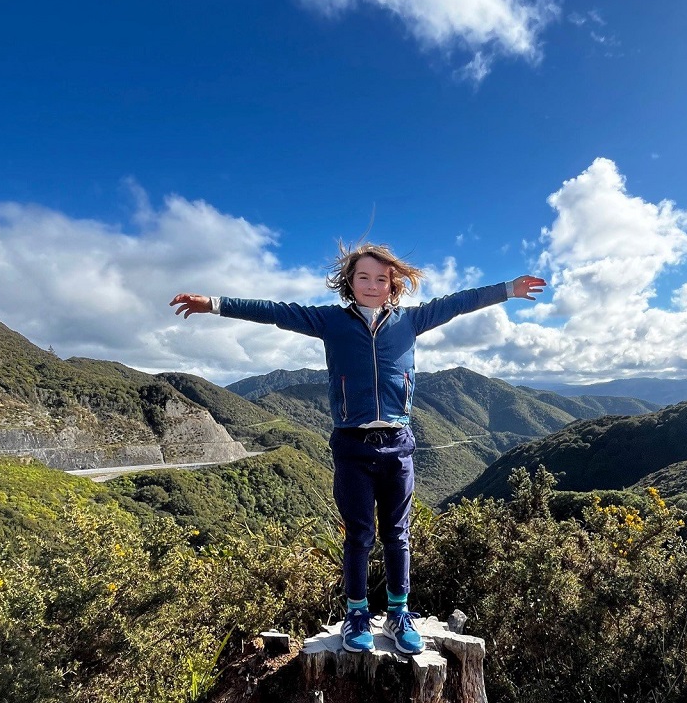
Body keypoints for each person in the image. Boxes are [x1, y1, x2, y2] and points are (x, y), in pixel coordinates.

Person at [170, 245, 545, 655]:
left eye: (380, 279)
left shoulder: (411, 320)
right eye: (363, 278)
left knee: (397, 535)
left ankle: (399, 615)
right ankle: (356, 615)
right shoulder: (331, 321)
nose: (372, 285)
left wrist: (508, 289)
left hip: (399, 444)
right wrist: (214, 304)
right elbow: (275, 311)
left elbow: (459, 302)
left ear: (393, 284)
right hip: (352, 445)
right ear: (349, 282)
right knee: (360, 536)